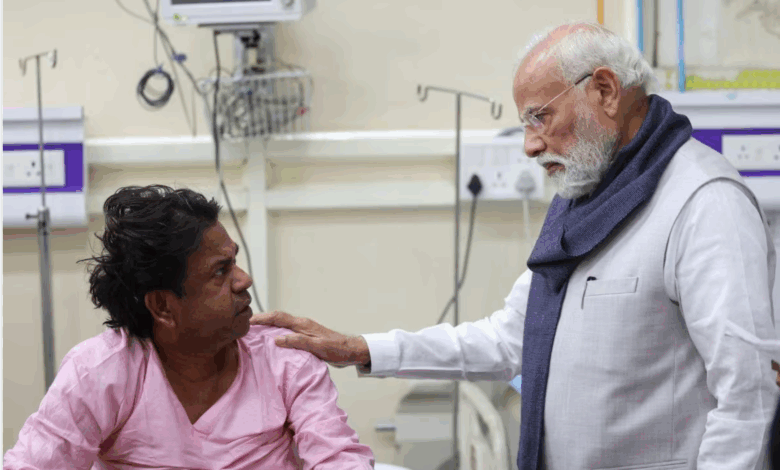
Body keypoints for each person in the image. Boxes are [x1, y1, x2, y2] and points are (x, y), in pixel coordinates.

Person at [251, 21, 779, 470]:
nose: (529, 144)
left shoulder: (704, 203)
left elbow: (749, 394)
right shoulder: (587, 200)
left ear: (605, 90)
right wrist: (361, 349)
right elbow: (510, 340)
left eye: (539, 116)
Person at [4, 185, 374, 470]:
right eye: (220, 271)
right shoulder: (100, 373)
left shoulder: (286, 360)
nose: (244, 280)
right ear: (163, 306)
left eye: (234, 261)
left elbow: (340, 460)